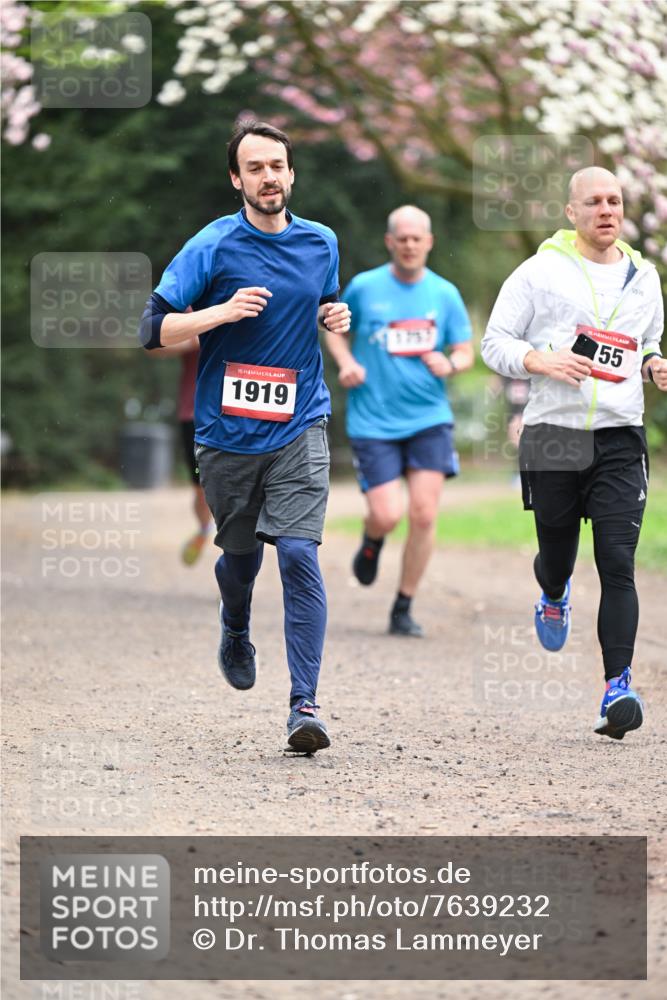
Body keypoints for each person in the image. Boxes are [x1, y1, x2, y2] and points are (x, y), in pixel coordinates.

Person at [139, 120, 350, 753]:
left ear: (291, 173)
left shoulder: (321, 242)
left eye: (278, 165)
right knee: (241, 558)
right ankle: (235, 624)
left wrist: (331, 315)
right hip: (227, 435)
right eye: (255, 168)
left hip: (300, 423)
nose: (269, 177)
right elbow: (153, 329)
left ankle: (304, 705)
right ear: (237, 179)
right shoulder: (213, 245)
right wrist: (222, 312)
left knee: (298, 553)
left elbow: (321, 302)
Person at [482, 166, 666, 740]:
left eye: (614, 200)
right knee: (557, 554)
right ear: (572, 212)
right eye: (594, 202)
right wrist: (539, 361)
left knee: (617, 562)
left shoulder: (645, 276)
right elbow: (495, 343)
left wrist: (655, 363)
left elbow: (647, 341)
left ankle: (618, 689)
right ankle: (554, 594)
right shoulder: (539, 272)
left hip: (618, 436)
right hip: (554, 433)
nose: (606, 210)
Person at [325, 205, 474, 637]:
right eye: (402, 238)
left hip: (429, 417)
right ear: (390, 242)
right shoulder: (365, 287)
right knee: (388, 514)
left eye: (417, 238)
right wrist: (346, 361)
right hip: (373, 418)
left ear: (429, 242)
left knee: (424, 515)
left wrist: (450, 363)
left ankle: (403, 606)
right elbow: (334, 327)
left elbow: (465, 350)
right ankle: (373, 540)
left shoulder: (444, 294)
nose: (410, 245)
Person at [148, 334, 214, 565]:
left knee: (239, 486)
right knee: (201, 487)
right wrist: (202, 332)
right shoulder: (190, 302)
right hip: (195, 414)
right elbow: (153, 345)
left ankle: (235, 569)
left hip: (239, 412)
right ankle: (205, 529)